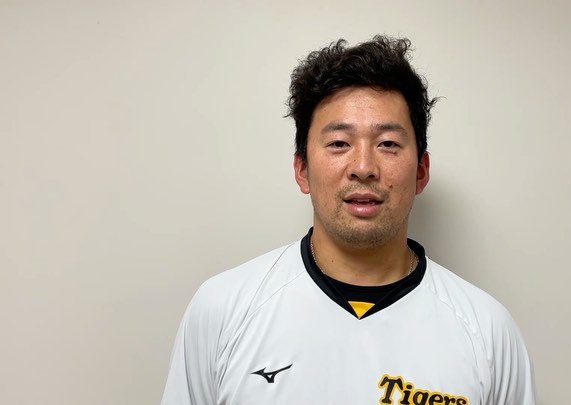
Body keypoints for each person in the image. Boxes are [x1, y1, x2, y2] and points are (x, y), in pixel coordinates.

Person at [161, 35, 535, 405]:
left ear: (421, 171)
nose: (363, 167)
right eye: (339, 143)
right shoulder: (222, 310)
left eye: (388, 143)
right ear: (302, 170)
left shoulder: (487, 332)